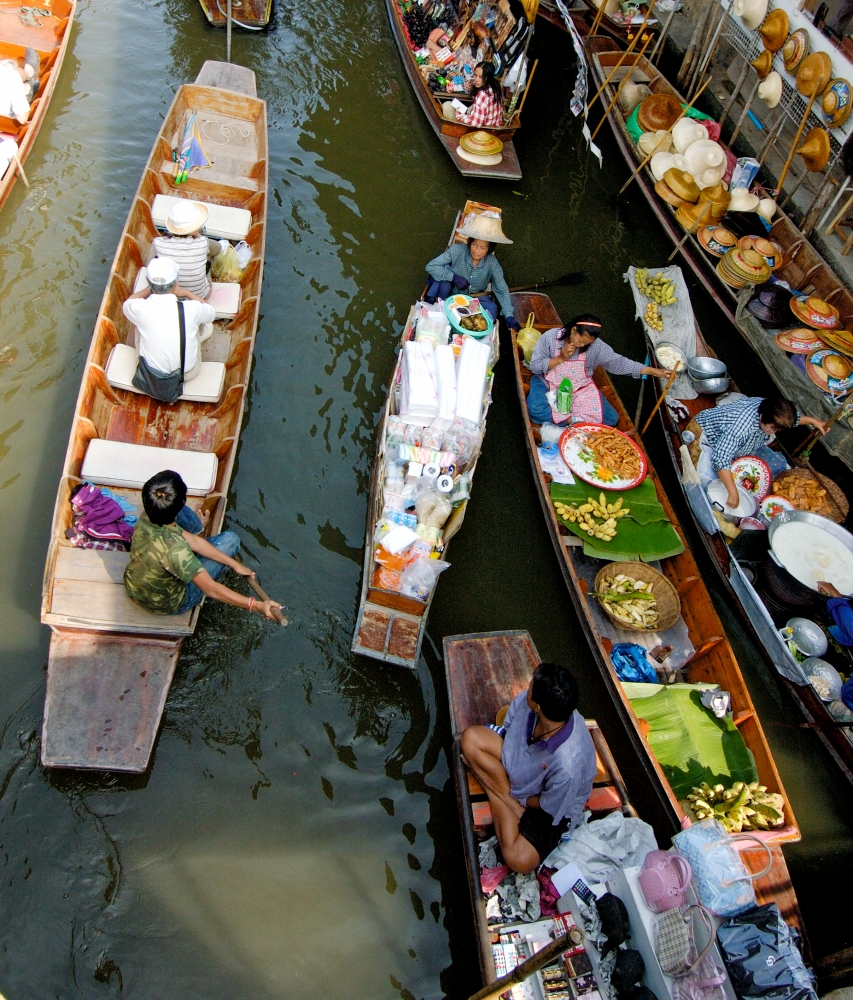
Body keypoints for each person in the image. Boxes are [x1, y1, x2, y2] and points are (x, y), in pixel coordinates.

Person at [460, 662, 597, 874]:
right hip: (518, 762)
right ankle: (505, 798)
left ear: (538, 706)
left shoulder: (569, 765)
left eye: (531, 686)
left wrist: (519, 800)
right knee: (469, 740)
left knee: (519, 860)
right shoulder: (533, 704)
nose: (528, 687)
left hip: (540, 802)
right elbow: (508, 726)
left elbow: (549, 805)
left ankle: (496, 793)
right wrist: (514, 796)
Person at [124, 470, 282, 619]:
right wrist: (256, 605)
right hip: (167, 604)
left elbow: (194, 541)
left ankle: (199, 527)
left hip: (133, 586)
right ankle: (199, 527)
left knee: (182, 515)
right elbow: (211, 589)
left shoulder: (148, 515)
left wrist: (234, 564)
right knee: (231, 540)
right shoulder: (177, 550)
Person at [527, 314, 670, 427]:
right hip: (549, 382)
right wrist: (560, 358)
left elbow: (618, 363)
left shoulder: (596, 347)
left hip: (578, 387)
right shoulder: (551, 337)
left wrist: (652, 371)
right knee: (535, 410)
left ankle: (566, 420)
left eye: (587, 343)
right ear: (574, 330)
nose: (582, 345)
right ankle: (574, 421)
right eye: (580, 341)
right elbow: (535, 366)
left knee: (611, 418)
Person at [694, 396, 827, 508]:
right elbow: (720, 458)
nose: (774, 432)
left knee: (777, 464)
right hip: (709, 438)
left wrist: (813, 421)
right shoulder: (741, 428)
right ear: (762, 416)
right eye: (772, 428)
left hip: (739, 445)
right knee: (709, 484)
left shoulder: (771, 409)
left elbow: (792, 420)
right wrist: (733, 492)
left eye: (778, 429)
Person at [122, 257, 215, 383]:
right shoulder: (192, 308)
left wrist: (150, 288)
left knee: (138, 323)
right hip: (186, 373)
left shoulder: (139, 307)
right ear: (175, 284)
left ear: (148, 282)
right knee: (198, 323)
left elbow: (129, 302)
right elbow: (210, 312)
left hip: (152, 372)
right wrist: (186, 293)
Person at [424, 213, 519, 330]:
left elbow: (501, 289)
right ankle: (438, 306)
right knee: (443, 274)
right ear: (469, 242)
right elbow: (431, 266)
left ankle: (468, 325)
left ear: (489, 249)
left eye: (482, 248)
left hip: (474, 299)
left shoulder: (492, 263)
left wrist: (509, 314)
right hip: (451, 294)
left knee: (493, 309)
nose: (477, 251)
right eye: (474, 244)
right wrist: (453, 277)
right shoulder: (457, 250)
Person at [152, 200, 219, 299]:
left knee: (156, 256)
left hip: (170, 296)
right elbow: (209, 244)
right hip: (199, 296)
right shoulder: (202, 242)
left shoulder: (158, 243)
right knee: (211, 253)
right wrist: (196, 233)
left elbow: (161, 240)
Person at [443, 61, 504, 129]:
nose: (476, 79)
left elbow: (476, 124)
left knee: (447, 105)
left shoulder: (482, 95)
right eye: (475, 75)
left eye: (481, 77)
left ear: (487, 78)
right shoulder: (495, 87)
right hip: (493, 124)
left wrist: (459, 114)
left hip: (481, 130)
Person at [0, 53, 37, 125]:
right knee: (9, 67)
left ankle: (28, 80)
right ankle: (28, 77)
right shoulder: (10, 74)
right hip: (5, 125)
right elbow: (22, 119)